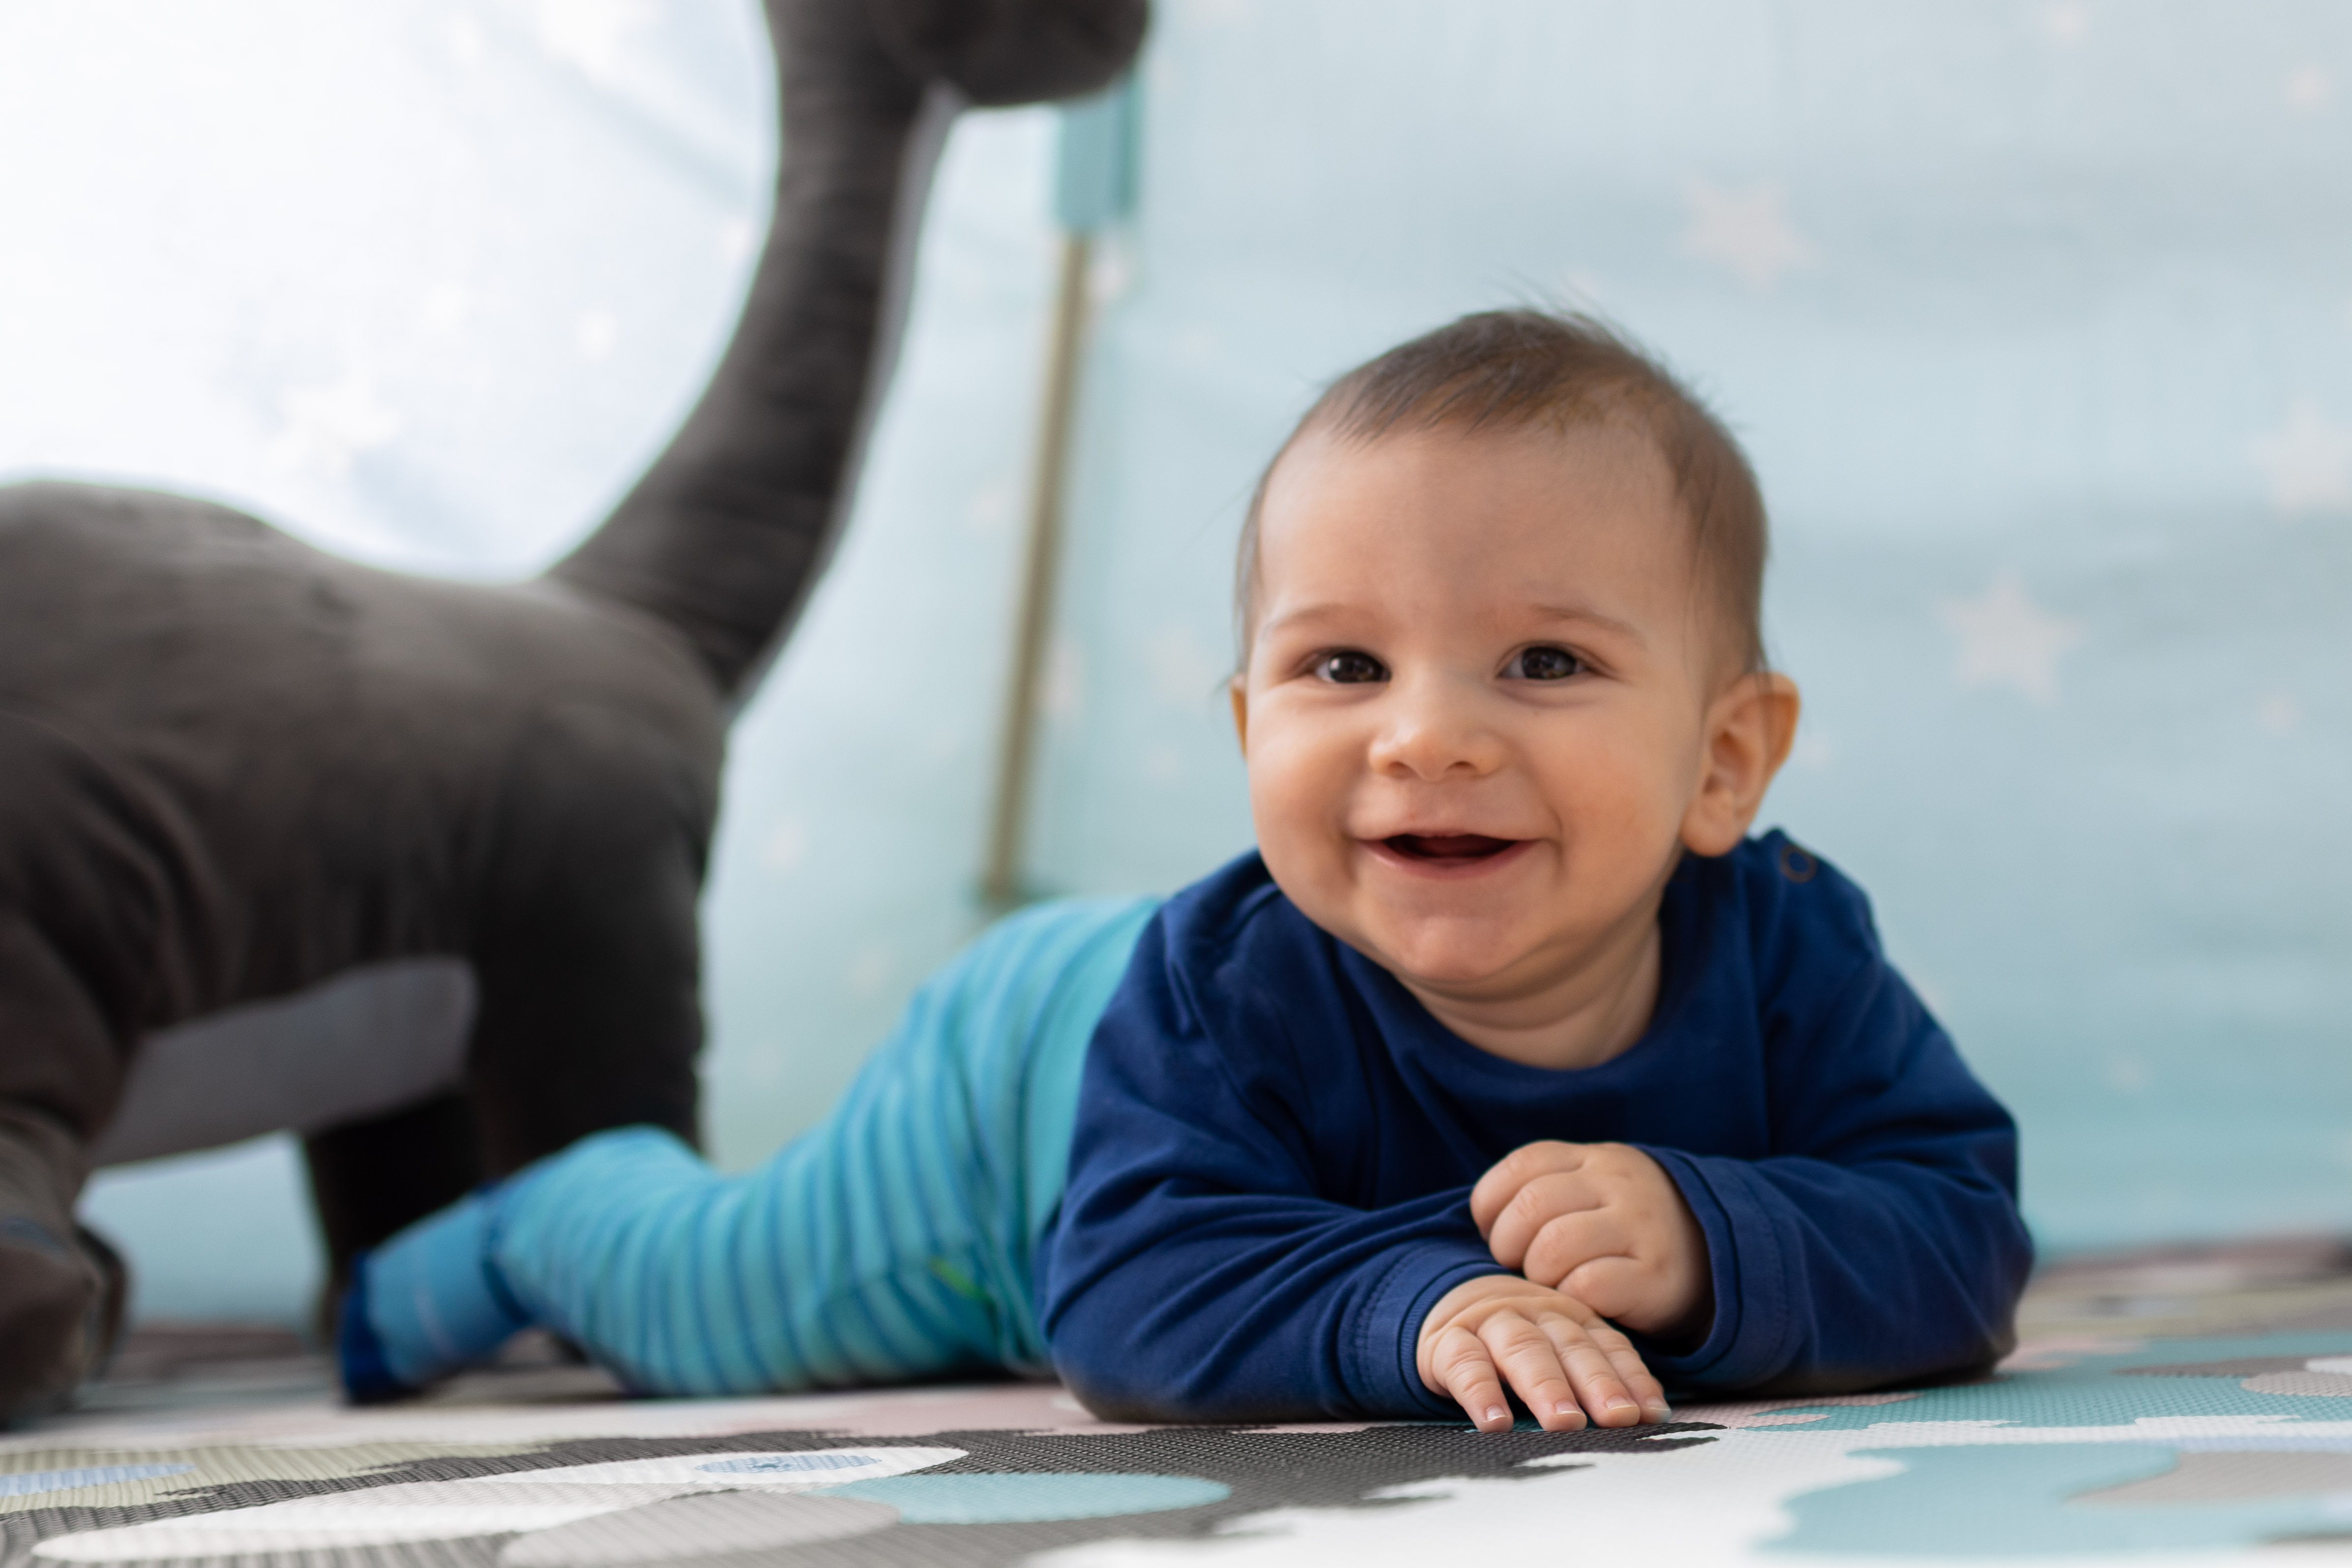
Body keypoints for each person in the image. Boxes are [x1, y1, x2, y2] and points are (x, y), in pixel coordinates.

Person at [340, 310, 2031, 1431]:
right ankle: (512, 1236)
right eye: (1343, 667)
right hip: (1014, 1106)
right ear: (1247, 727)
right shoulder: (1232, 991)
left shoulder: (1789, 946)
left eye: (1544, 663)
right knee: (716, 1305)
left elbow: (1962, 1232)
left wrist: (1717, 1238)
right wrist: (1414, 1308)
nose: (1427, 738)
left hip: (1114, 1053)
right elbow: (1130, 1296)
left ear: (1724, 762)